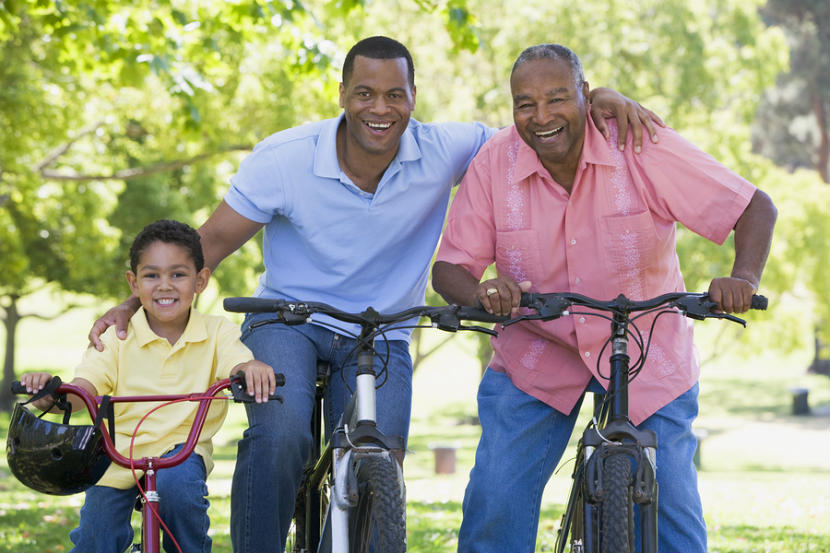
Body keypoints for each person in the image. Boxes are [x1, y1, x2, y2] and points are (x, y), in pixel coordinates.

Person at [86, 37, 664, 552]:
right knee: (282, 433)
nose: (380, 108)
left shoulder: (448, 148)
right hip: (289, 318)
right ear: (341, 93)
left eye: (395, 94)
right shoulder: (284, 159)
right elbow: (207, 243)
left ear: (414, 97)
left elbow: (533, 133)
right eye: (364, 92)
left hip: (383, 328)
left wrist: (598, 99)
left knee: (381, 456)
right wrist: (132, 305)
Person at [431, 43, 777, 553]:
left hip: (647, 352)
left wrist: (742, 278)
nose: (541, 116)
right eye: (525, 103)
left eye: (556, 98)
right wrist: (482, 289)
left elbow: (754, 207)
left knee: (674, 518)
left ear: (585, 96)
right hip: (537, 353)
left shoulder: (638, 144)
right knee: (494, 503)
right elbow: (449, 267)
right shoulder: (493, 164)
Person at [20, 219, 275, 553]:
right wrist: (50, 395)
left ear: (200, 281)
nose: (164, 285)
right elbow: (83, 390)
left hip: (182, 452)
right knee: (97, 534)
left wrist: (249, 367)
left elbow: (236, 363)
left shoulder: (217, 332)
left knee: (180, 495)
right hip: (118, 455)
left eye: (178, 274)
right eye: (152, 275)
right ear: (134, 282)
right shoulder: (117, 337)